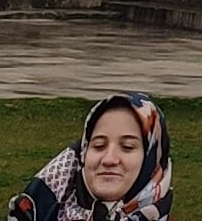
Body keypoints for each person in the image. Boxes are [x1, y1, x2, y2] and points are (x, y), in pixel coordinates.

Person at [9, 90, 170, 221]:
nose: (109, 159)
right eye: (99, 146)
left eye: (127, 147)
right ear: (83, 153)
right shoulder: (37, 213)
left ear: (151, 162)